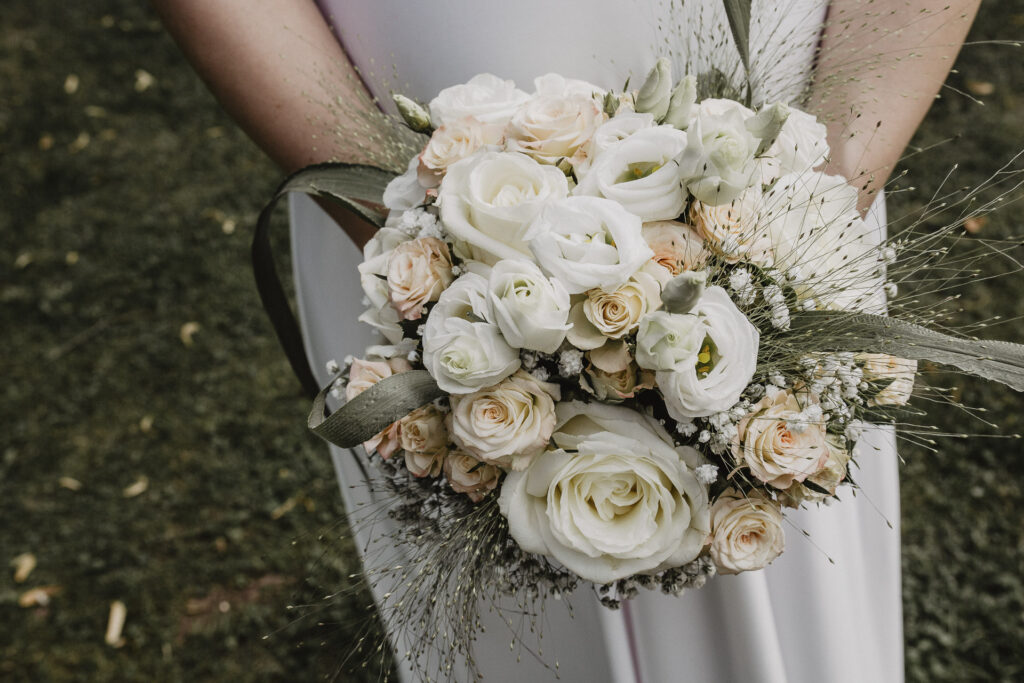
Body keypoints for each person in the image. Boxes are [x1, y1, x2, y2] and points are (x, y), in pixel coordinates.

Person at [154, 1, 980, 680]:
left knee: (789, 583)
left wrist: (800, 220)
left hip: (780, 162)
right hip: (406, 159)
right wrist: (417, 226)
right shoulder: (418, 236)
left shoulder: (788, 209)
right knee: (519, 625)